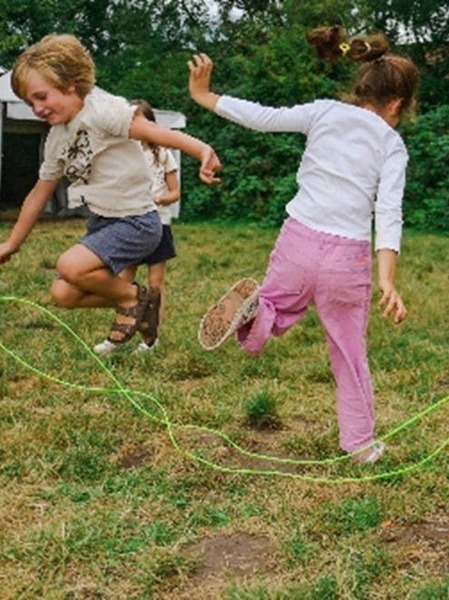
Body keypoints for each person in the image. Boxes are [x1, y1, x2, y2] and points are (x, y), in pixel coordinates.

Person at [190, 26, 420, 464]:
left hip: (299, 239)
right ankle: (360, 446)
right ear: (396, 105)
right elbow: (388, 212)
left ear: (358, 91)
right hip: (346, 257)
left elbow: (264, 117)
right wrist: (387, 278)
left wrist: (207, 96)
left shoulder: (324, 112)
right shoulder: (392, 144)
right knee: (349, 352)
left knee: (277, 309)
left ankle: (254, 314)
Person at [0, 34, 220, 352]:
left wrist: (202, 150)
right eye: (30, 102)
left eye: (41, 96)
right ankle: (137, 299)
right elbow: (38, 194)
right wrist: (11, 243)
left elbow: (156, 132)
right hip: (104, 224)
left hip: (137, 221)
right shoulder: (57, 139)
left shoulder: (102, 112)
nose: (37, 108)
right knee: (63, 294)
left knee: (69, 265)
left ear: (71, 83)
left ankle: (133, 298)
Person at [93, 99, 181, 355]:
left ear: (150, 124)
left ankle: (151, 340)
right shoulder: (118, 153)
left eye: (139, 121)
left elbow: (174, 192)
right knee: (123, 283)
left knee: (156, 284)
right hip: (129, 226)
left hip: (157, 224)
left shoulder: (162, 153)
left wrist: (158, 200)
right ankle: (119, 337)